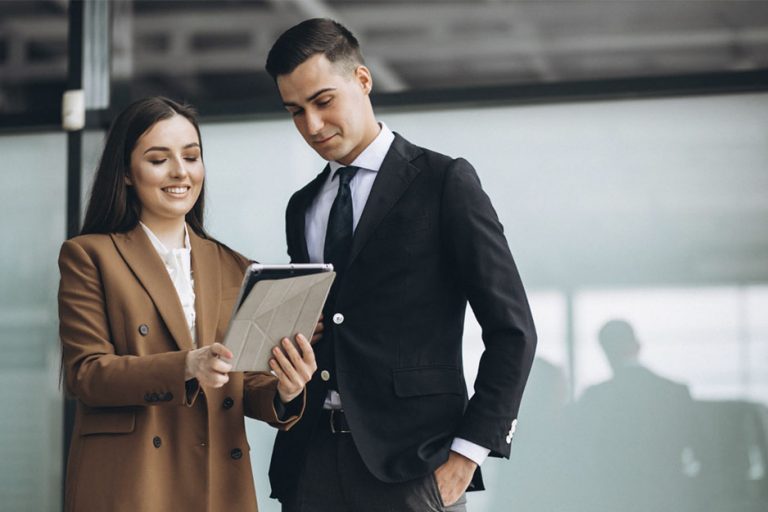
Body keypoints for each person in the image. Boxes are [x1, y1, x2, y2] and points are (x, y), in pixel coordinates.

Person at [264, 18, 537, 511]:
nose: (312, 126)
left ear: (362, 80)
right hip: (310, 464)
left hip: (414, 467)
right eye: (295, 111)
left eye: (323, 101)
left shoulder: (444, 182)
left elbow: (513, 331)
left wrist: (467, 456)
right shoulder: (301, 206)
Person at [58, 96, 318, 512]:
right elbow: (86, 374)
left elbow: (242, 380)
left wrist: (286, 389)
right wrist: (187, 365)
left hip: (218, 479)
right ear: (125, 172)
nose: (181, 172)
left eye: (191, 157)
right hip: (133, 480)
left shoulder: (235, 266)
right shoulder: (90, 256)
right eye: (159, 159)